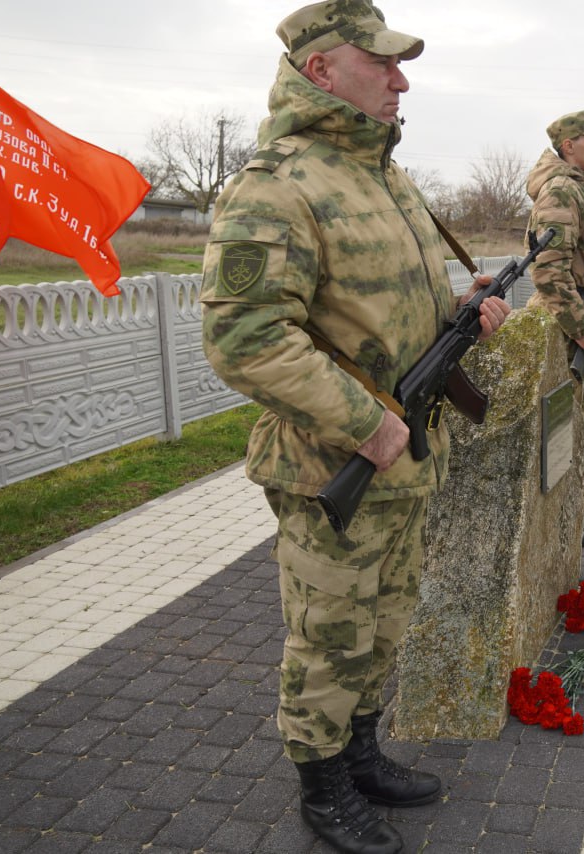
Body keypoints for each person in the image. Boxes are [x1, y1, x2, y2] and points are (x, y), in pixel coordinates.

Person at [200, 4, 510, 852]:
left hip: (404, 458)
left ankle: (361, 754)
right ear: (322, 70)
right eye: (382, 63)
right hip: (330, 463)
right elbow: (245, 336)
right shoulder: (278, 184)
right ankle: (322, 785)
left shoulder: (384, 176)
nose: (401, 80)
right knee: (329, 637)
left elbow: (380, 311)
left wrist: (461, 312)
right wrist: (365, 424)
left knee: (386, 621)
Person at [525, 110, 584, 547]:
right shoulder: (561, 190)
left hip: (571, 313)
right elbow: (548, 271)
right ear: (568, 146)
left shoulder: (576, 188)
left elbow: (575, 254)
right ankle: (552, 520)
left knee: (566, 426)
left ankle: (565, 509)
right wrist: (582, 329)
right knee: (553, 429)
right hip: (559, 321)